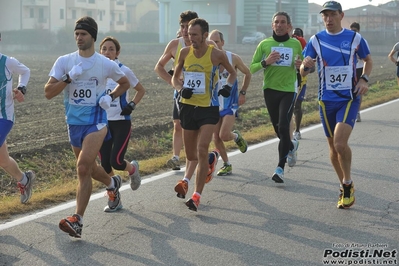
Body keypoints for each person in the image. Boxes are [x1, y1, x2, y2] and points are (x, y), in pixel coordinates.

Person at [44, 16, 131, 237]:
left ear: (93, 36)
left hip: (97, 122)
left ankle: (77, 220)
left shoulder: (104, 63)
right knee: (90, 169)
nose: (78, 38)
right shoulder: (65, 61)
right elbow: (48, 93)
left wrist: (109, 97)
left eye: (83, 34)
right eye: (76, 34)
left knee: (82, 167)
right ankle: (112, 183)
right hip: (74, 124)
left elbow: (125, 83)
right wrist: (67, 78)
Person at [301, 1, 372, 209]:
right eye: (325, 16)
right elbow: (304, 71)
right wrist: (306, 67)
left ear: (341, 15)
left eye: (332, 15)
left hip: (349, 97)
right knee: (332, 146)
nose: (328, 19)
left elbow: (368, 59)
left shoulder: (354, 38)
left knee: (340, 143)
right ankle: (343, 185)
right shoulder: (315, 40)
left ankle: (348, 183)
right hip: (325, 100)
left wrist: (364, 79)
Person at [172, 18, 237, 211]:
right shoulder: (184, 52)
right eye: (189, 34)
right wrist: (181, 89)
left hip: (208, 109)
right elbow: (175, 79)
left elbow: (233, 74)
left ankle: (196, 196)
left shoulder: (216, 55)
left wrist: (227, 87)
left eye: (194, 35)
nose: (190, 38)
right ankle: (211, 158)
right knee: (191, 155)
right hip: (187, 107)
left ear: (204, 35)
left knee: (200, 149)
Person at [249, 11, 303, 183]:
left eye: (283, 22)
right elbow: (251, 68)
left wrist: (301, 66)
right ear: (272, 25)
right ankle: (292, 145)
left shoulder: (295, 44)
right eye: (276, 22)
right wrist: (266, 62)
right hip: (270, 90)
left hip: (288, 90)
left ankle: (280, 168)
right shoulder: (264, 44)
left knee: (284, 125)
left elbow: (303, 68)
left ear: (288, 26)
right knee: (278, 129)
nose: (279, 25)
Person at [99, 36, 145, 211]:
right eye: (104, 49)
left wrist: (131, 105)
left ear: (117, 53)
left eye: (111, 49)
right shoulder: (97, 71)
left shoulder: (123, 70)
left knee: (117, 161)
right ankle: (114, 197)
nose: (107, 52)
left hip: (120, 122)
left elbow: (141, 90)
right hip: (101, 123)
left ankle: (133, 169)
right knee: (104, 165)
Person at [154, 11, 200, 172]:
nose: (186, 31)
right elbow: (159, 67)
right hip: (181, 91)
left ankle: (202, 156)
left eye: (189, 26)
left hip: (202, 94)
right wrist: (172, 82)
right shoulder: (175, 44)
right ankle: (176, 157)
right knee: (178, 124)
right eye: (182, 26)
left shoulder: (206, 44)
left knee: (198, 129)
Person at [208, 29, 251, 176]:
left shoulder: (233, 58)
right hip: (214, 104)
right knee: (216, 138)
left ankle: (236, 136)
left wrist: (243, 93)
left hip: (230, 103)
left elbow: (247, 73)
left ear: (223, 42)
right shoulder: (208, 59)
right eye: (211, 42)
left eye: (217, 42)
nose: (214, 45)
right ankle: (227, 164)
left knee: (224, 135)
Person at [0, 52, 36, 204]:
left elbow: (25, 71)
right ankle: (24, 179)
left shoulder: (7, 62)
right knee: (3, 160)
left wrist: (21, 89)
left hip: (3, 117)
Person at [291, 27, 308, 140]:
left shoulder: (305, 49)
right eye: (294, 35)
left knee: (297, 106)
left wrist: (303, 67)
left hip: (301, 81)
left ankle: (297, 130)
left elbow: (312, 69)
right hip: (289, 80)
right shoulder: (290, 47)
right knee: (289, 107)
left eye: (298, 35)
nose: (296, 37)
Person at [350, 22, 367, 122]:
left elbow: (367, 58)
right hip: (350, 69)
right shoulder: (347, 40)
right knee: (350, 91)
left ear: (358, 31)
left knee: (358, 91)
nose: (353, 32)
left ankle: (357, 112)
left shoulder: (362, 41)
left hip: (359, 68)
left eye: (355, 31)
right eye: (351, 30)